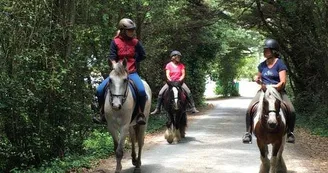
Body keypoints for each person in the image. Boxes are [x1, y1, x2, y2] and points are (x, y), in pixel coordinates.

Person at [93, 18, 147, 125]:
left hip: (131, 72)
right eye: (129, 30)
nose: (132, 32)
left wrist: (135, 60)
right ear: (122, 30)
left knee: (141, 91)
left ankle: (140, 114)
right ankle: (101, 113)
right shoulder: (115, 42)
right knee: (99, 90)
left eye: (133, 30)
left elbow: (143, 55)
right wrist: (114, 65)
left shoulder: (135, 42)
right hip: (118, 73)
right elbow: (112, 56)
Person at [242, 38, 296, 144]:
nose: (264, 52)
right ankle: (248, 133)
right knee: (249, 109)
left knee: (292, 110)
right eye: (264, 50)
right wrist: (256, 79)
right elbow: (258, 76)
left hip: (278, 92)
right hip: (264, 91)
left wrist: (273, 88)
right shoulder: (262, 65)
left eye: (267, 50)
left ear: (273, 51)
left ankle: (290, 132)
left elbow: (283, 82)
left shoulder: (280, 64)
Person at [150, 50, 199, 115]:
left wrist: (180, 80)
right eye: (177, 56)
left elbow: (183, 74)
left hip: (179, 82)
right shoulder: (168, 65)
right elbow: (167, 74)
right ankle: (157, 109)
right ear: (173, 57)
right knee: (161, 93)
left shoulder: (181, 65)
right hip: (171, 82)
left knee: (188, 92)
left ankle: (193, 107)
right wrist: (170, 80)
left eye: (179, 57)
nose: (179, 58)